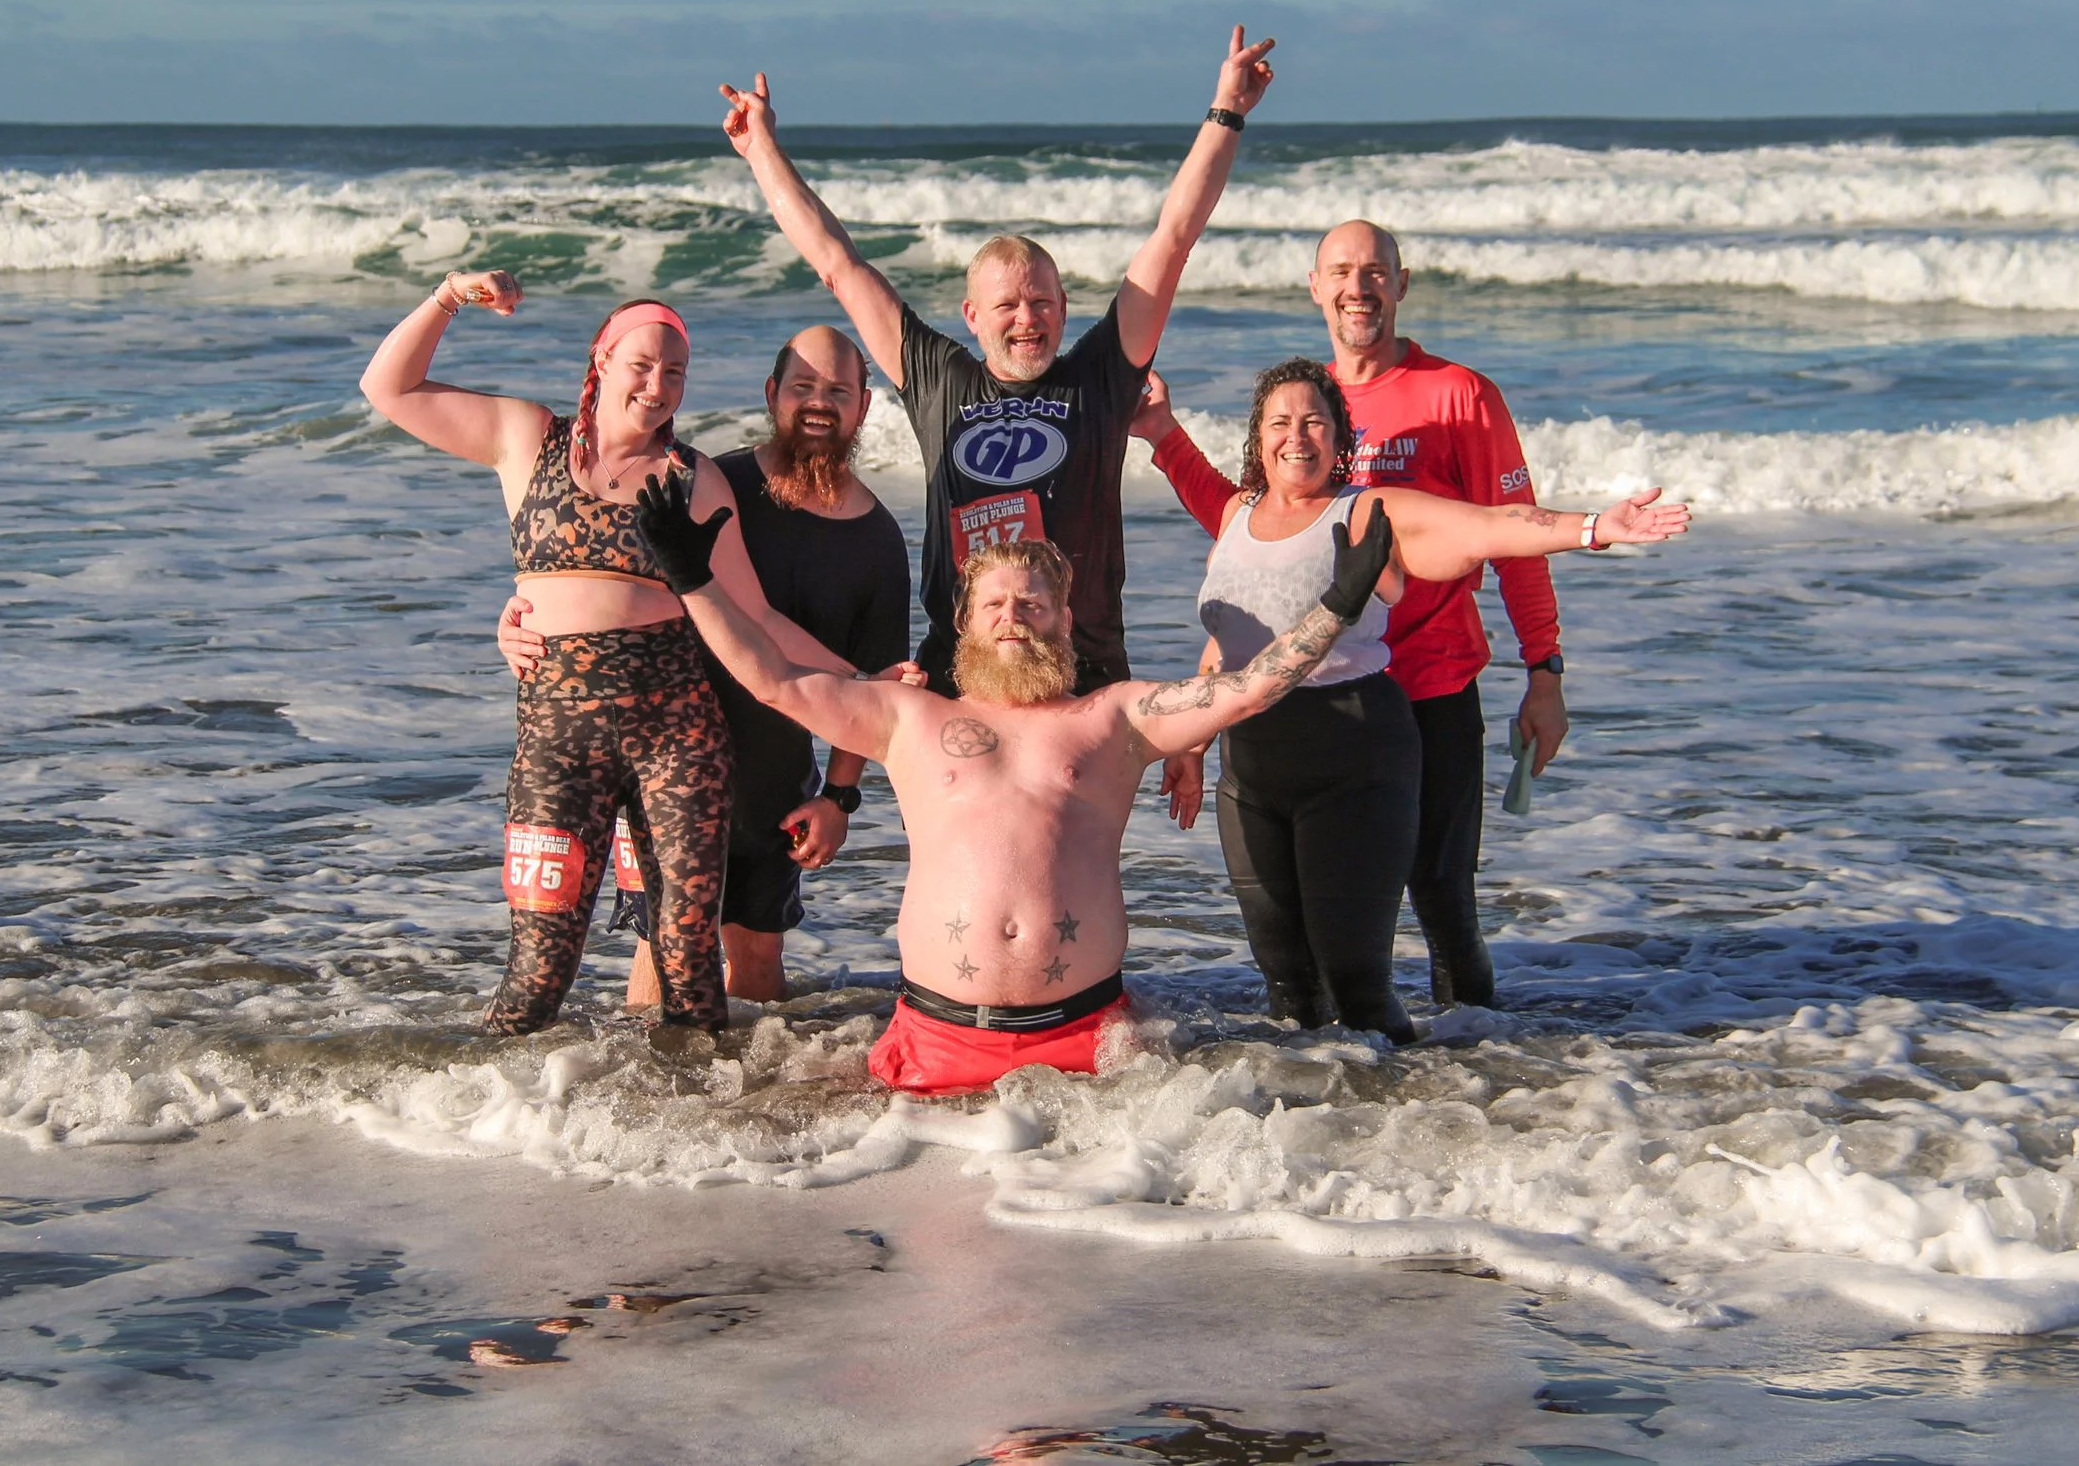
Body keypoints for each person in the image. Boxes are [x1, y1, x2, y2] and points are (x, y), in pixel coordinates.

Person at [627, 471, 1395, 1095]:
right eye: (994, 603)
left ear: (1064, 621)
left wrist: (1336, 605)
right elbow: (773, 680)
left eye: (1033, 603)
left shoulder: (1116, 717)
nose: (1013, 616)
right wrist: (693, 578)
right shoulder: (907, 717)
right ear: (965, 622)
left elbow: (1247, 689)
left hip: (1092, 1046)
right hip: (933, 1040)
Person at [714, 25, 1279, 823]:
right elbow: (838, 264)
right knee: (966, 862)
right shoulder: (938, 377)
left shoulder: (1099, 376)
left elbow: (1173, 238)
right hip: (963, 671)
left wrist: (1226, 112)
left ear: (1065, 309)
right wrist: (762, 150)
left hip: (1082, 672)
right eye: (1007, 304)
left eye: (1042, 301)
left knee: (1073, 867)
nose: (1027, 318)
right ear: (972, 315)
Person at [358, 270, 851, 1035]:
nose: (657, 386)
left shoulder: (694, 480)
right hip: (557, 745)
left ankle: (695, 1106)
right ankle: (488, 1103)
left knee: (688, 967)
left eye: (675, 372)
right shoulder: (527, 438)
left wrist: (862, 678)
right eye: (642, 365)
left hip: (678, 743)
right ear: (602, 359)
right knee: (537, 972)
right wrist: (449, 296)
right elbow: (388, 388)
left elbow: (755, 618)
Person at [1133, 219, 1565, 1008]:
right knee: (1316, 931)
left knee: (1442, 897)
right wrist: (1163, 436)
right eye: (1340, 271)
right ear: (1315, 287)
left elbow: (1512, 535)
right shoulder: (1306, 406)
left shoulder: (1460, 396)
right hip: (1315, 697)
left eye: (1373, 271)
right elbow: (1248, 527)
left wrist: (1545, 669)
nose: (1357, 287)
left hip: (1428, 687)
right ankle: (1340, 1067)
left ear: (1401, 284)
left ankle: (1482, 1061)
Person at [1187, 359, 1687, 1040]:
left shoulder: (1369, 512)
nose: (1296, 437)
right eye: (1280, 422)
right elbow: (1226, 642)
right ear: (1258, 436)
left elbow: (1492, 525)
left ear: (1341, 439)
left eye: (1314, 422)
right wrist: (1192, 743)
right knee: (1286, 984)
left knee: (1358, 987)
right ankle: (1308, 1105)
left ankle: (1433, 1093)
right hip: (1250, 773)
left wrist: (1595, 526)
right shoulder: (1236, 515)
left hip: (1353, 762)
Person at [495, 326, 911, 1004]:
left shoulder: (878, 540)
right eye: (802, 386)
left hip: (776, 778)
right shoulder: (704, 482)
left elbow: (876, 684)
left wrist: (838, 796)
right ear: (772, 394)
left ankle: (753, 1078)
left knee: (758, 958)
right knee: (659, 953)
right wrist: (520, 616)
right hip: (665, 761)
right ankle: (644, 1077)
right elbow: (594, 570)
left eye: (838, 391)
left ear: (863, 406)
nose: (818, 403)